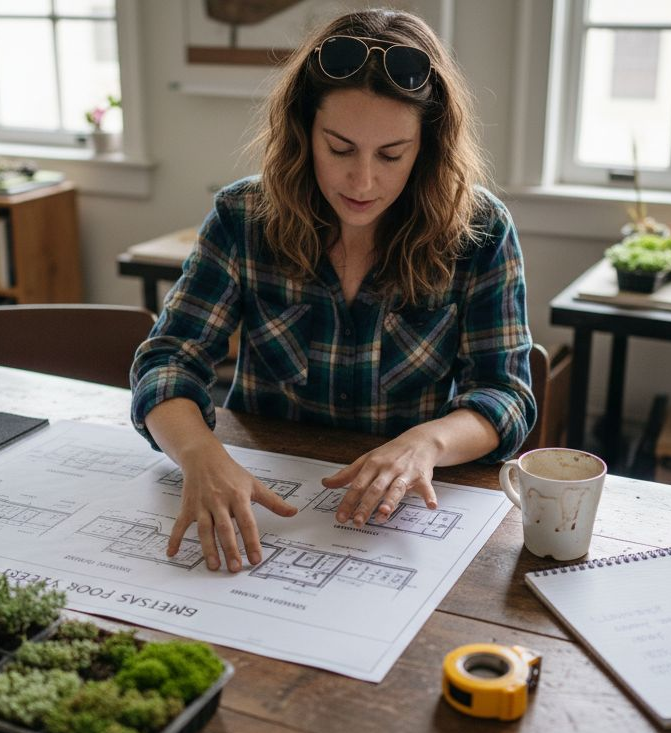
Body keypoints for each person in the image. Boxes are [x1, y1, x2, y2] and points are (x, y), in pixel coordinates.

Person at [131, 8, 535, 573]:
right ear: (304, 132)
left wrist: (427, 443)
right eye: (340, 148)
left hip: (396, 523)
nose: (363, 181)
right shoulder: (243, 217)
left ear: (427, 147)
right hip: (261, 502)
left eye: (392, 154)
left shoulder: (479, 231)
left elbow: (505, 395)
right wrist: (199, 453)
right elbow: (168, 361)